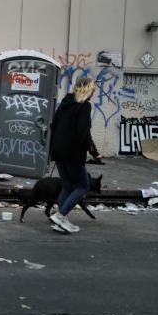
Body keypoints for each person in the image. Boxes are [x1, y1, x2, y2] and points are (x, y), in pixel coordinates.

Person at [49, 77, 101, 233]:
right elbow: (83, 133)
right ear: (87, 89)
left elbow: (54, 126)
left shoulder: (64, 103)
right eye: (92, 89)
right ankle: (61, 216)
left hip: (58, 150)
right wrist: (94, 152)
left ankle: (59, 220)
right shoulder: (84, 106)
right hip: (72, 152)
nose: (93, 93)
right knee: (82, 186)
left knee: (67, 185)